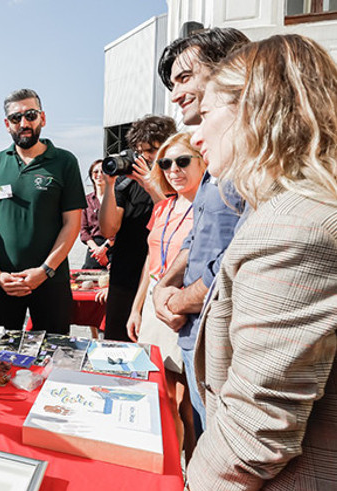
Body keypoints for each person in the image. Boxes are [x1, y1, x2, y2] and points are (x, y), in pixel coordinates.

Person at [185, 34, 337, 491]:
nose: (195, 135)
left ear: (251, 111)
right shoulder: (291, 211)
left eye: (205, 114)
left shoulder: (292, 228)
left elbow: (255, 427)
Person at [152, 27, 249, 438]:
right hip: (194, 334)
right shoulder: (216, 162)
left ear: (230, 70)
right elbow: (196, 240)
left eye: (185, 78)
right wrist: (164, 286)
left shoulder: (250, 159)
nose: (176, 95)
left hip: (227, 343)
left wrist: (179, 299)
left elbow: (235, 260)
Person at [0, 88, 85, 334]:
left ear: (42, 118)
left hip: (51, 281)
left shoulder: (65, 162)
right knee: (2, 352)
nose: (24, 123)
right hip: (4, 284)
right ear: (7, 124)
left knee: (54, 352)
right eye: (16, 118)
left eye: (30, 115)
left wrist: (45, 270)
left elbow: (72, 224)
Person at [125, 132, 204, 463]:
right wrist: (136, 308)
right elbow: (150, 259)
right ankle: (170, 468)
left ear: (202, 162)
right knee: (161, 396)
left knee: (190, 405)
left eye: (182, 161)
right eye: (166, 164)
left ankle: (193, 471)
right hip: (155, 305)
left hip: (187, 307)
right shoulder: (163, 208)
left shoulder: (210, 209)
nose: (173, 170)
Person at [99, 115, 175, 341]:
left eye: (151, 150)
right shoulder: (127, 184)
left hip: (161, 279)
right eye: (140, 151)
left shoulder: (177, 179)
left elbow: (174, 223)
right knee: (116, 345)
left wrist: (151, 186)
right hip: (124, 276)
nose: (145, 157)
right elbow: (108, 230)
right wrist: (109, 186)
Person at [79, 159, 112, 269]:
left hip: (113, 247)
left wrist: (104, 248)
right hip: (94, 250)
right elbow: (83, 231)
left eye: (103, 171)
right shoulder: (86, 201)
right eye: (96, 172)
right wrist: (97, 250)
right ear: (91, 175)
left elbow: (121, 228)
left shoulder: (118, 199)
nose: (99, 175)